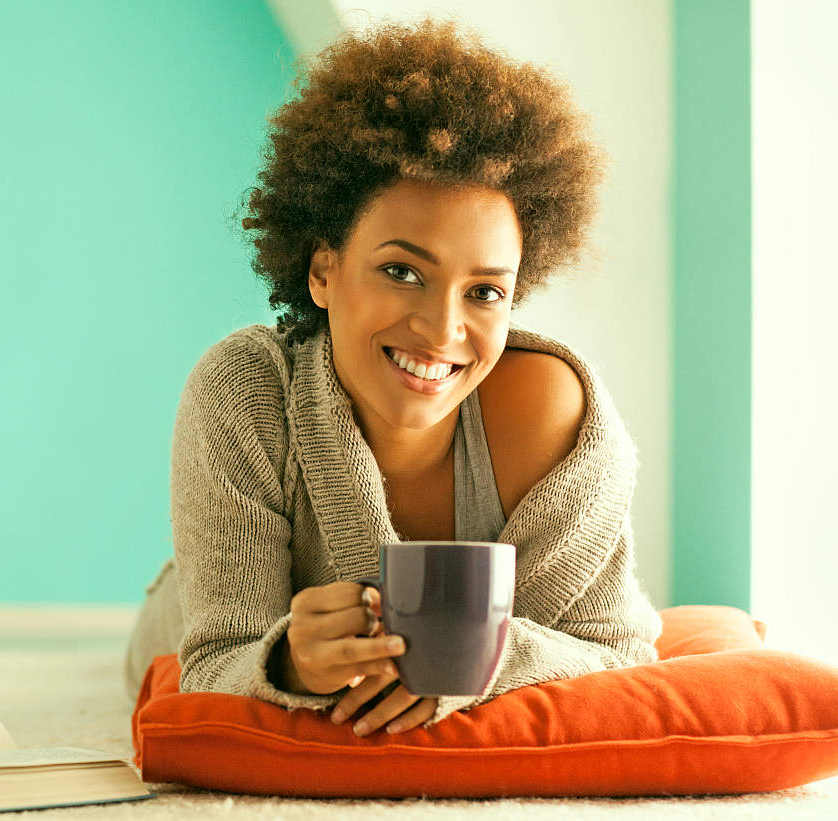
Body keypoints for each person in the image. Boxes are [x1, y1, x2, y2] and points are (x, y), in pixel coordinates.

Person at [123, 16, 661, 738]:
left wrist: (489, 660)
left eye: (485, 291)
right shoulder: (246, 391)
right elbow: (216, 658)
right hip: (185, 614)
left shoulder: (553, 415)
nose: (443, 330)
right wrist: (285, 663)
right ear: (323, 270)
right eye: (402, 271)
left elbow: (621, 652)